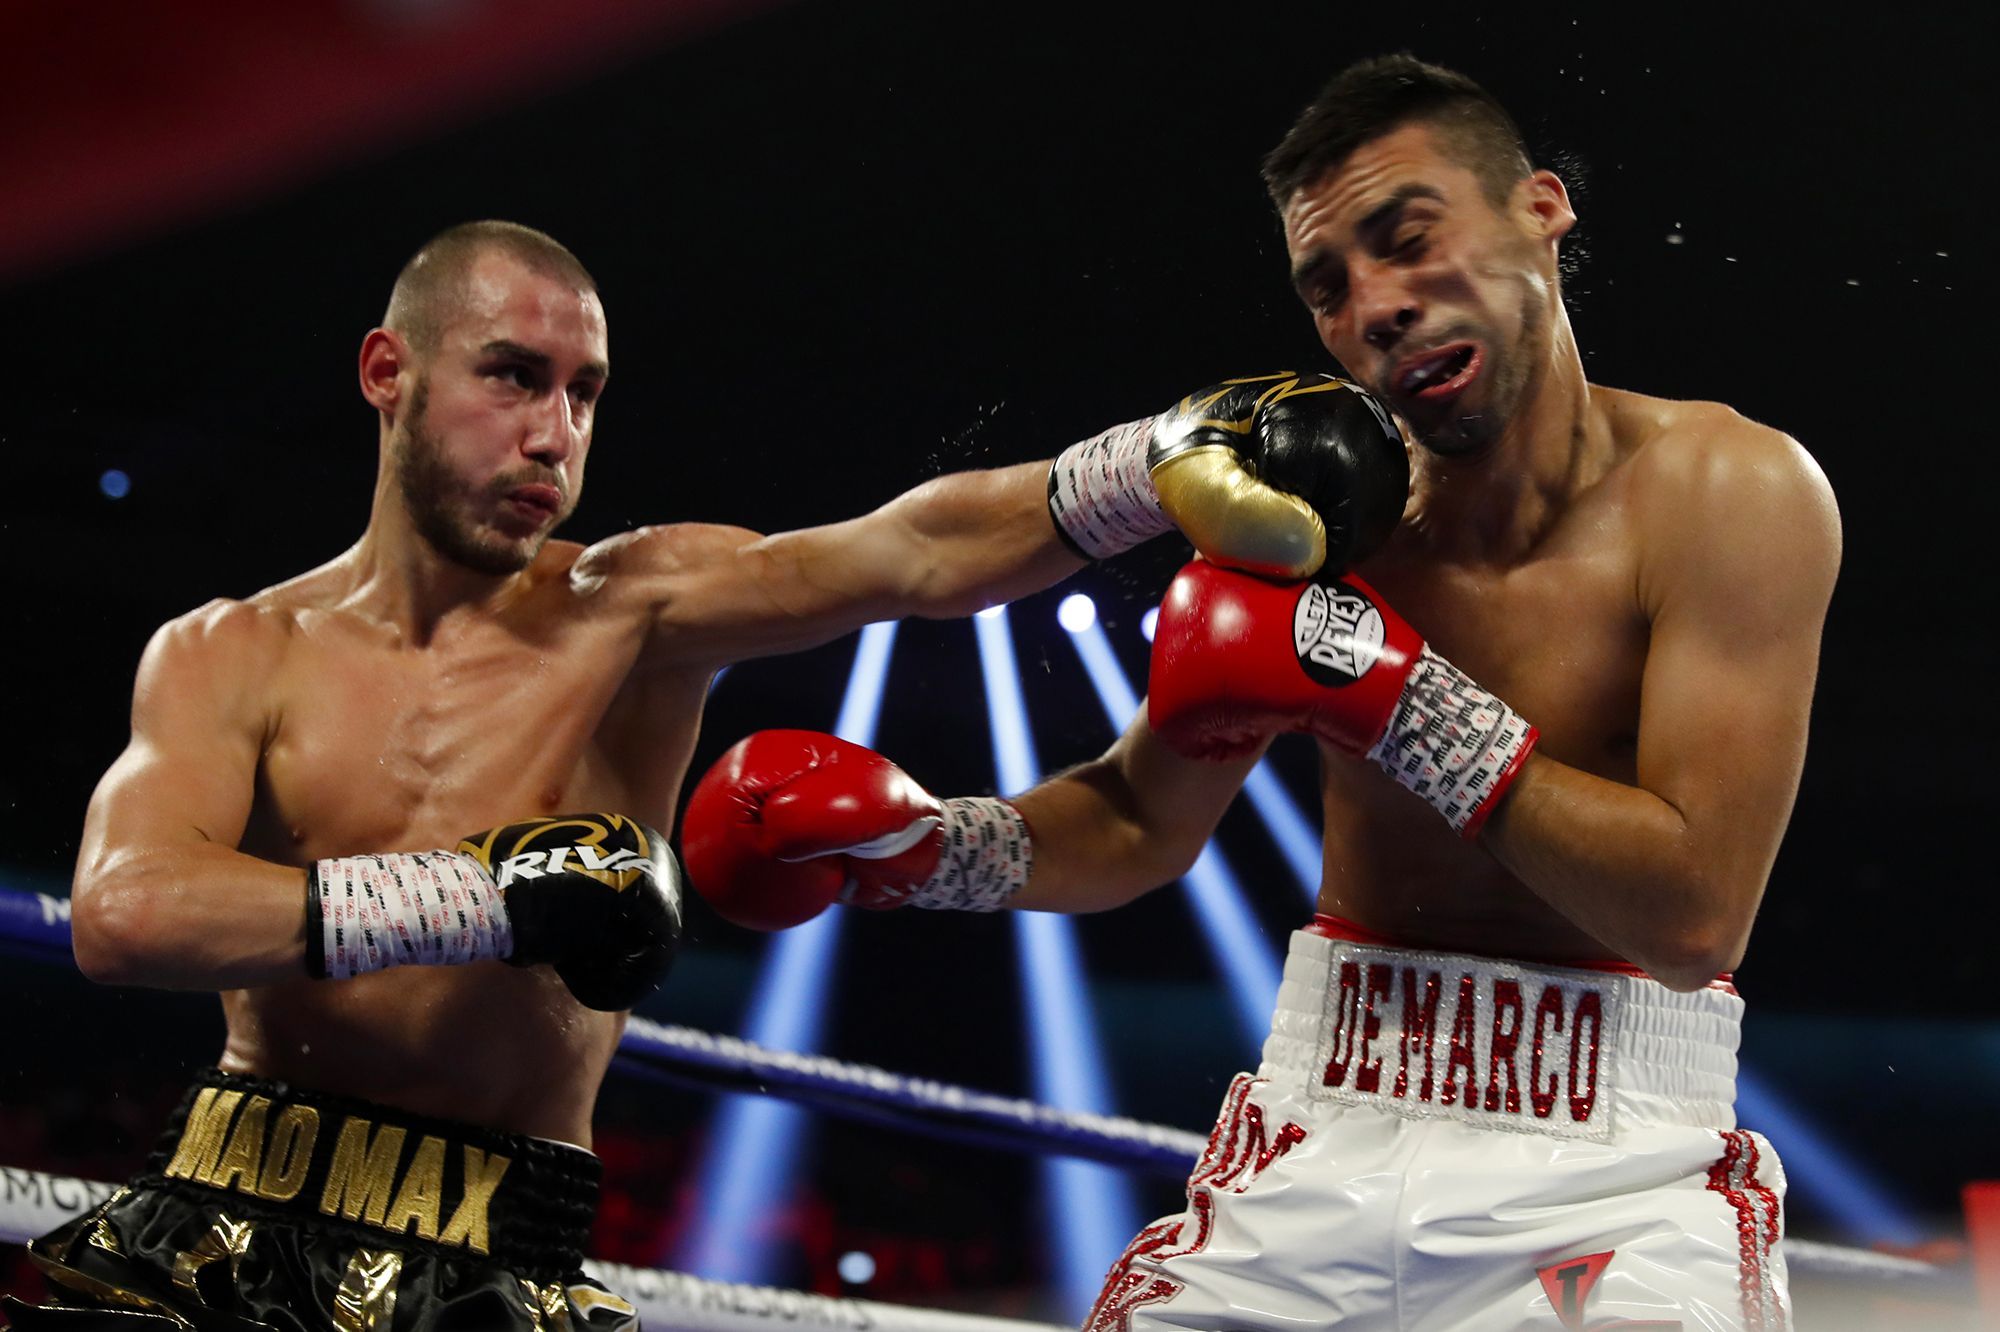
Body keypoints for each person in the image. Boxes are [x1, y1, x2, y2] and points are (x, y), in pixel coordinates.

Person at [4, 220, 1398, 1331]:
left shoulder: (633, 608)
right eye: (511, 376)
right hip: (227, 1211)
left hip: (496, 1234)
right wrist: (484, 900)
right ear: (390, 373)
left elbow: (905, 553)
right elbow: (127, 916)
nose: (555, 435)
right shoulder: (230, 650)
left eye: (584, 393)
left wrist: (1147, 463)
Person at [680, 54, 1842, 1331]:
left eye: (1407, 242)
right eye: (1328, 288)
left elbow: (1692, 922)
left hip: (1613, 1163)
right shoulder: (1318, 521)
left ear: (1542, 210)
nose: (1375, 310)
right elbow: (1135, 823)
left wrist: (1393, 696)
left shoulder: (1728, 493)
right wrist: (924, 849)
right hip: (1325, 1123)